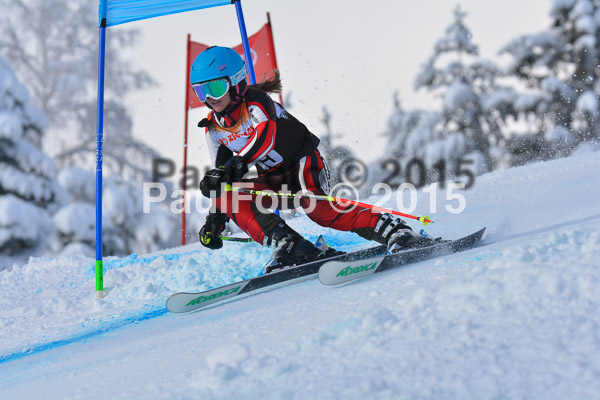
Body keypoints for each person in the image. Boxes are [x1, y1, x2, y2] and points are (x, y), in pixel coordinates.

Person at [191, 46, 434, 273]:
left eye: (215, 88)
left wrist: (235, 165)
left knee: (320, 211)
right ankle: (292, 247)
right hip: (273, 180)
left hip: (302, 165)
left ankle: (398, 232)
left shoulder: (256, 102)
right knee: (229, 195)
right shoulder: (213, 129)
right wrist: (216, 218)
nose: (209, 98)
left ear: (236, 81)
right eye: (201, 91)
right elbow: (223, 180)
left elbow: (265, 138)